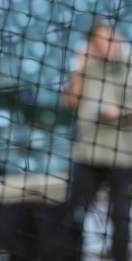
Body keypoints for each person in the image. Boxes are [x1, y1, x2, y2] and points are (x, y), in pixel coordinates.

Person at [59, 20, 132, 261]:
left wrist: (119, 112)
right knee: (74, 214)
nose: (107, 48)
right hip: (88, 152)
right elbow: (69, 101)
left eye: (110, 41)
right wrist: (79, 67)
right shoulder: (90, 65)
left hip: (123, 154)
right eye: (100, 44)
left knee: (121, 220)